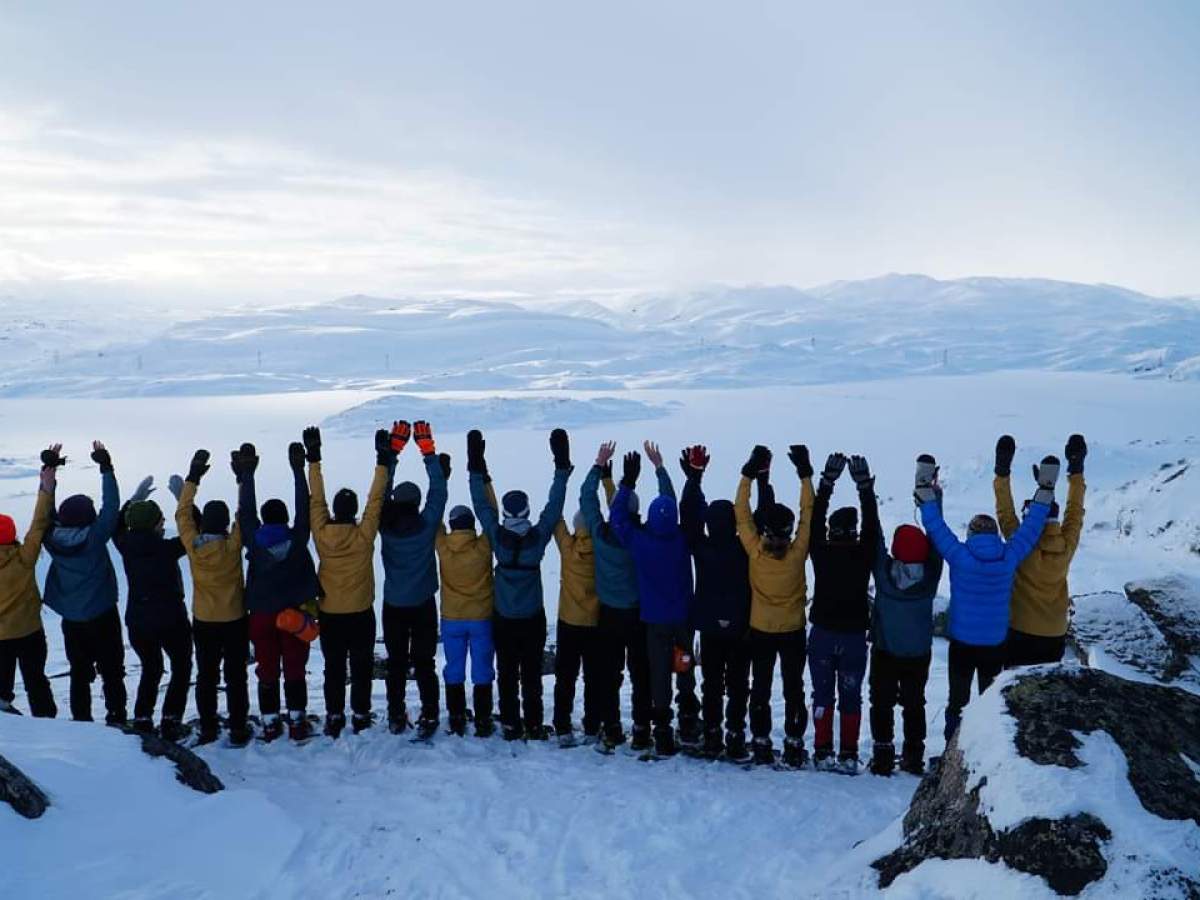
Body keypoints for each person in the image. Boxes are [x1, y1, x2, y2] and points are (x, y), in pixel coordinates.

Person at [918, 453, 1056, 741]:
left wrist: (925, 492)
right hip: (995, 644)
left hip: (962, 644)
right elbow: (1031, 529)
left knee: (958, 701)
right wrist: (1045, 492)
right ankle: (985, 751)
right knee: (989, 703)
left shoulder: (960, 556)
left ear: (970, 534)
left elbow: (936, 528)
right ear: (995, 535)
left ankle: (951, 751)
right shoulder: (1008, 556)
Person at [469, 428, 571, 741]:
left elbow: (482, 507)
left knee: (507, 673)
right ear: (526, 511)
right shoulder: (536, 539)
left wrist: (475, 467)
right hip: (532, 618)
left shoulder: (497, 538)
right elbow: (554, 507)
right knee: (531, 674)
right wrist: (561, 467)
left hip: (503, 618)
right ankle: (534, 723)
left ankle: (511, 723)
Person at [609, 443, 693, 758]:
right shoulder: (682, 539)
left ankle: (662, 729)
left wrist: (627, 483)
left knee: (659, 673)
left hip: (655, 621)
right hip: (682, 617)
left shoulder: (640, 541)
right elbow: (670, 502)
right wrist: (660, 469)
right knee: (684, 665)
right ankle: (689, 719)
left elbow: (617, 518)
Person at [304, 425, 388, 738]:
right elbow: (375, 501)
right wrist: (382, 461)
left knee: (334, 668)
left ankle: (335, 715)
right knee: (362, 666)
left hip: (330, 613)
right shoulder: (364, 536)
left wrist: (314, 459)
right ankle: (361, 714)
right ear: (354, 512)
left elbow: (316, 501)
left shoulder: (322, 535)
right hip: (361, 613)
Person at [736, 444, 815, 768]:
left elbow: (741, 511)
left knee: (761, 687)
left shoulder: (754, 550)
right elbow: (808, 514)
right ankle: (794, 742)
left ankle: (760, 740)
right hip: (793, 629)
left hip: (761, 629)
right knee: (794, 688)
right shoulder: (797, 554)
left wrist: (748, 474)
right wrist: (805, 475)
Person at [679, 444, 760, 760]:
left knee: (712, 684)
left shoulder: (701, 547)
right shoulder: (744, 549)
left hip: (710, 628)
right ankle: (735, 736)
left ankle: (713, 734)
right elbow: (756, 518)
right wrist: (760, 479)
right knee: (738, 685)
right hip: (740, 628)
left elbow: (690, 516)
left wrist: (694, 479)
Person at [238, 441, 321, 741]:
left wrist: (247, 474)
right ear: (285, 517)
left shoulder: (253, 539)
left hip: (260, 614)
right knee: (295, 668)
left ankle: (271, 722)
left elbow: (246, 512)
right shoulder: (297, 538)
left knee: (267, 668)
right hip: (293, 615)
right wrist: (298, 470)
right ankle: (297, 721)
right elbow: (304, 510)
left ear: (264, 518)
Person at [868, 458, 944, 777]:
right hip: (918, 654)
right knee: (915, 704)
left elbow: (874, 539)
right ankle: (913, 755)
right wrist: (933, 500)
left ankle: (883, 755)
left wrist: (866, 493)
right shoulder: (931, 576)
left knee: (881, 702)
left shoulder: (885, 575)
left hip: (885, 651)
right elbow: (938, 539)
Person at [42, 441, 127, 725]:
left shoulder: (51, 537)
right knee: (112, 670)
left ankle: (82, 721)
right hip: (103, 614)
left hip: (72, 619)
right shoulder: (95, 537)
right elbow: (111, 507)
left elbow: (45, 512)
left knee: (78, 672)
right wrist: (106, 468)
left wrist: (49, 471)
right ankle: (117, 717)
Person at [806, 453, 879, 774]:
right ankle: (848, 754)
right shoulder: (864, 553)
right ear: (854, 530)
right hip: (852, 638)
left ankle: (822, 751)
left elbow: (814, 522)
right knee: (851, 696)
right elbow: (873, 527)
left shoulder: (821, 551)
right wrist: (864, 488)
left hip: (822, 634)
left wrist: (826, 484)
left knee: (822, 695)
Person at [580, 442, 653, 753]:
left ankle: (611, 727)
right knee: (641, 674)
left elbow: (586, 498)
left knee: (608, 674)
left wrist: (599, 466)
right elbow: (624, 512)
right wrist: (630, 481)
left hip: (609, 614)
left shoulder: (600, 534)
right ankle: (642, 729)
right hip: (638, 615)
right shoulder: (644, 537)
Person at [175, 449, 251, 746]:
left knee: (207, 675)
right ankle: (238, 727)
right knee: (236, 676)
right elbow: (245, 513)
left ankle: (208, 727)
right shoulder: (232, 546)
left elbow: (182, 514)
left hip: (205, 619)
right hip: (234, 618)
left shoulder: (193, 546)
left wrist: (193, 477)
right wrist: (242, 479)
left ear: (204, 522)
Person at [378, 420, 448, 739]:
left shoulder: (384, 524)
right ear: (417, 503)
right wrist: (427, 452)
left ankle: (396, 714)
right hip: (422, 604)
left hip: (394, 603)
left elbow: (380, 493)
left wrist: (393, 453)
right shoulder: (426, 524)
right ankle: (430, 714)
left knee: (396, 663)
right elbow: (439, 492)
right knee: (424, 663)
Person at [995, 434, 1087, 667]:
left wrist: (1002, 473)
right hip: (1054, 632)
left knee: (1013, 687)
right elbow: (1074, 511)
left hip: (1019, 628)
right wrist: (1076, 471)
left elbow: (1005, 513)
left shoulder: (1020, 544)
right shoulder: (1066, 545)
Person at [113, 479, 193, 740]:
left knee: (151, 668)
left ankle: (143, 718)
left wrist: (134, 500)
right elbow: (196, 530)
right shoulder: (167, 548)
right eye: (161, 521)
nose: (163, 524)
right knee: (181, 666)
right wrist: (183, 498)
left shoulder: (125, 545)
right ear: (155, 524)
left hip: (138, 620)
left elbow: (116, 524)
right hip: (172, 619)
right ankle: (171, 720)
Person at [0, 448, 60, 718]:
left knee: (1, 689)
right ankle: (47, 722)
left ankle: (9, 727)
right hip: (29, 631)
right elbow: (38, 523)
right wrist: (46, 486)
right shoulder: (25, 556)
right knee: (37, 681)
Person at [552, 480, 611, 747]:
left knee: (565, 677)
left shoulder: (568, 547)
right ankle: (592, 727)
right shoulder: (603, 550)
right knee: (593, 678)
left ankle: (563, 727)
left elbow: (555, 517)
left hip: (568, 621)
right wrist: (608, 484)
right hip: (595, 622)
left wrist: (560, 479)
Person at [436, 478, 497, 738]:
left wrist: (441, 479)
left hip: (452, 618)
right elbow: (492, 516)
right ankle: (483, 719)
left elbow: (434, 515)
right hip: (481, 617)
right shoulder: (483, 546)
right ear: (473, 524)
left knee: (454, 668)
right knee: (482, 668)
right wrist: (485, 483)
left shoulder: (443, 546)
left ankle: (457, 717)